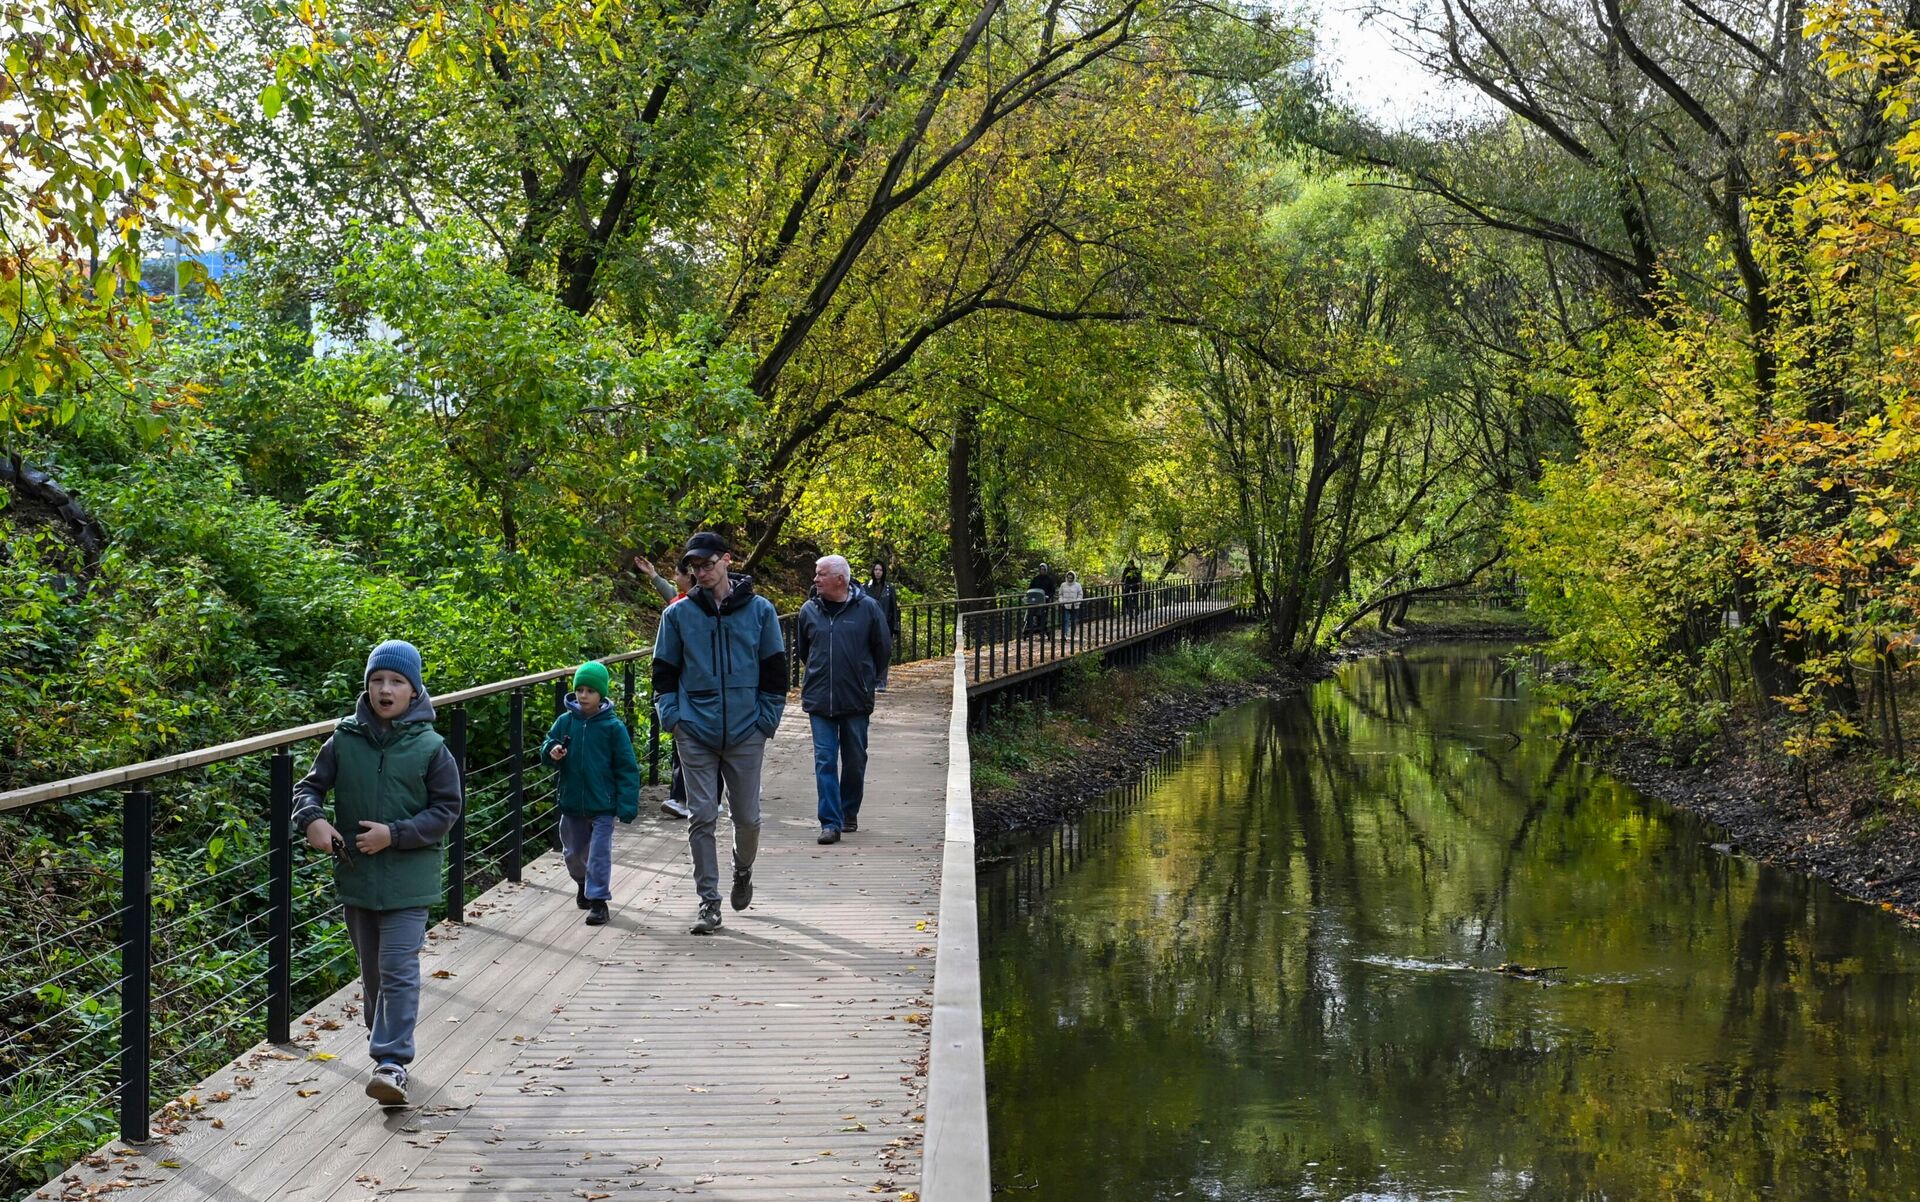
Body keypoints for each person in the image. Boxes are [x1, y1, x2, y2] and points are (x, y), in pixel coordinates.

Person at [292, 640, 463, 1108]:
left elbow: (447, 809)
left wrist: (397, 833)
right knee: (373, 972)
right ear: (367, 687)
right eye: (377, 681)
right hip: (359, 878)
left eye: (396, 682)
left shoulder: (431, 748)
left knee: (398, 967)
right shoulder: (343, 740)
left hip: (411, 879)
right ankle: (383, 1043)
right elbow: (308, 788)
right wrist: (313, 820)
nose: (386, 689)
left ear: (414, 690)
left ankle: (392, 1062)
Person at [651, 531, 787, 935]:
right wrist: (672, 718)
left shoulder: (761, 611)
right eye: (694, 567)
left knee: (746, 818)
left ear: (727, 560)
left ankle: (742, 869)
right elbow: (663, 674)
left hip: (747, 730)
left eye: (707, 564)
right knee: (702, 816)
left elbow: (777, 673)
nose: (701, 573)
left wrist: (767, 720)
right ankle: (708, 903)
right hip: (695, 729)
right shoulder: (676, 615)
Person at [796, 556, 892, 843]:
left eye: (820, 574)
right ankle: (830, 823)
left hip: (855, 698)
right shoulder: (808, 611)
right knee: (824, 760)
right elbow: (805, 650)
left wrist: (865, 678)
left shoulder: (868, 609)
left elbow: (882, 649)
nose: (815, 579)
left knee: (854, 759)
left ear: (840, 579)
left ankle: (849, 811)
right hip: (819, 699)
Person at [539, 661, 641, 927]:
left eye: (590, 691)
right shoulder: (565, 721)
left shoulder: (613, 727)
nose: (583, 695)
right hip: (572, 802)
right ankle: (582, 883)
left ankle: (598, 902)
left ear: (601, 695)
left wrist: (627, 804)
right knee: (573, 853)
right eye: (580, 689)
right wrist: (552, 751)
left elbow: (627, 767)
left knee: (599, 854)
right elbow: (548, 745)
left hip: (603, 804)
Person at [637, 554, 697, 820]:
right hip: (682, 689)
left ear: (690, 576)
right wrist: (653, 576)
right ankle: (683, 797)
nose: (675, 578)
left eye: (677, 573)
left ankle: (685, 798)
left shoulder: (695, 607)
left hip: (690, 687)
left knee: (688, 744)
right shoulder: (686, 603)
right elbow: (673, 598)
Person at [864, 561, 902, 690]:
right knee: (869, 653)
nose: (878, 572)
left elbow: (894, 608)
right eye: (875, 569)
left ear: (884, 572)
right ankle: (871, 680)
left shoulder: (889, 589)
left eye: (880, 570)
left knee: (884, 653)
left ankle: (881, 681)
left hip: (885, 625)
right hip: (869, 626)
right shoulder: (865, 588)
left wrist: (895, 626)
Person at [1058, 570, 1085, 637]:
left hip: (1074, 606)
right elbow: (1060, 594)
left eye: (1071, 578)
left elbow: (1080, 595)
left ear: (1073, 578)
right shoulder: (1063, 585)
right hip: (1065, 605)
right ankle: (1064, 634)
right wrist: (1061, 601)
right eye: (1068, 577)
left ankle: (1072, 634)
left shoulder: (1078, 585)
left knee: (1073, 621)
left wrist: (1077, 601)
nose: (1069, 579)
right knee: (1065, 620)